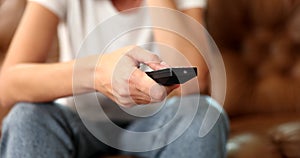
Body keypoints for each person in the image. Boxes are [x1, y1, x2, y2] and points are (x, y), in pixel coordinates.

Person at [0, 0, 229, 157]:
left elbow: (193, 81)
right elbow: (8, 84)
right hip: (78, 121)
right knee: (26, 117)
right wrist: (97, 73)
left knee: (201, 115)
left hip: (155, 122)